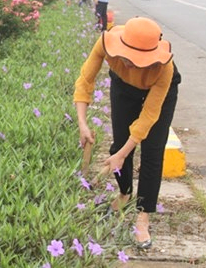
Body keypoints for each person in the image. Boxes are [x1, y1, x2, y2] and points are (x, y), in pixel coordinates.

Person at [73, 17, 181, 250]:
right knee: (119, 144)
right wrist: (82, 123)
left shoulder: (164, 67)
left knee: (152, 151)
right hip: (123, 86)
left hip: (158, 92)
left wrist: (124, 153)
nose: (131, 63)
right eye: (127, 57)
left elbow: (148, 118)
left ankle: (143, 217)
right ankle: (124, 194)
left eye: (139, 59)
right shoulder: (105, 42)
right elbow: (85, 81)